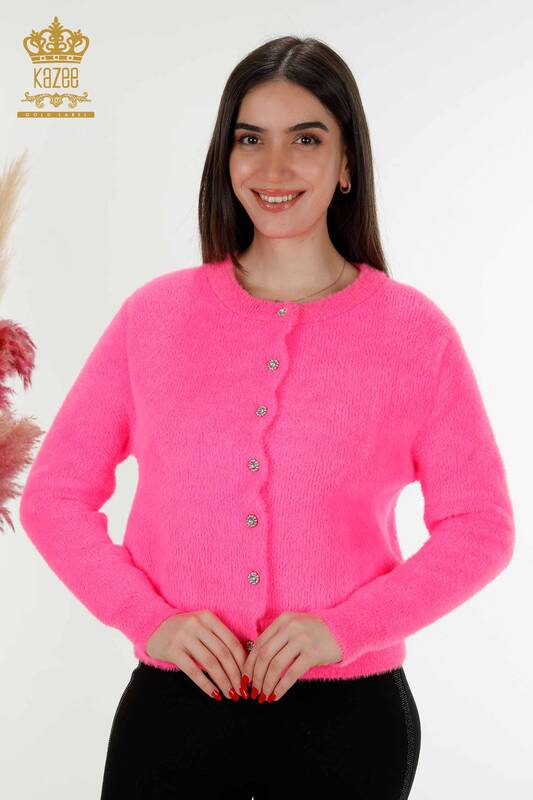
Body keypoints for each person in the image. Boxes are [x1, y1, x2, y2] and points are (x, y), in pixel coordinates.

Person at [19, 35, 514, 799]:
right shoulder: (153, 319)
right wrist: (148, 619)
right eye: (250, 140)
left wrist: (344, 629)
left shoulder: (414, 335)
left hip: (349, 720)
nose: (273, 168)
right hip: (174, 704)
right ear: (226, 158)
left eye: (305, 140)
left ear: (346, 165)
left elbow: (480, 525)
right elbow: (54, 496)